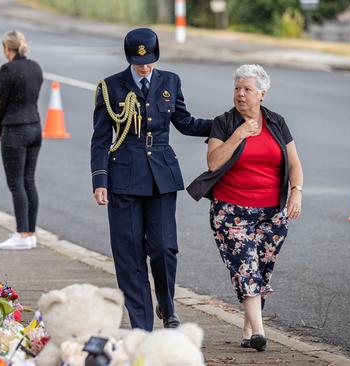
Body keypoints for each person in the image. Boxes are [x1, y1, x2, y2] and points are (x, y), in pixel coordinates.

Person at [90, 28, 212, 331]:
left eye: (150, 61)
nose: (145, 67)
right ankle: (141, 326)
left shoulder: (170, 82)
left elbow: (184, 122)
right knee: (129, 252)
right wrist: (99, 180)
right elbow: (101, 139)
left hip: (161, 175)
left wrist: (223, 124)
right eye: (139, 62)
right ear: (129, 57)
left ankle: (167, 306)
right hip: (124, 176)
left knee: (163, 247)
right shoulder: (110, 87)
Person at [187, 64, 304, 352]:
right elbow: (213, 162)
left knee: (262, 270)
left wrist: (296, 191)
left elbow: (294, 163)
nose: (240, 94)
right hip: (230, 211)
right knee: (245, 267)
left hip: (272, 212)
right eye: (237, 88)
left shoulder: (276, 122)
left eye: (247, 89)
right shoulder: (224, 123)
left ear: (262, 94)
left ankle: (248, 328)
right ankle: (261, 332)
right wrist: (239, 134)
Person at [0, 30, 43, 251]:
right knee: (29, 180)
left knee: (16, 182)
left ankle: (21, 233)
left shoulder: (8, 69)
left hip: (15, 128)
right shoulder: (35, 67)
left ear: (7, 48)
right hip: (35, 126)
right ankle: (30, 233)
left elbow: (1, 101)